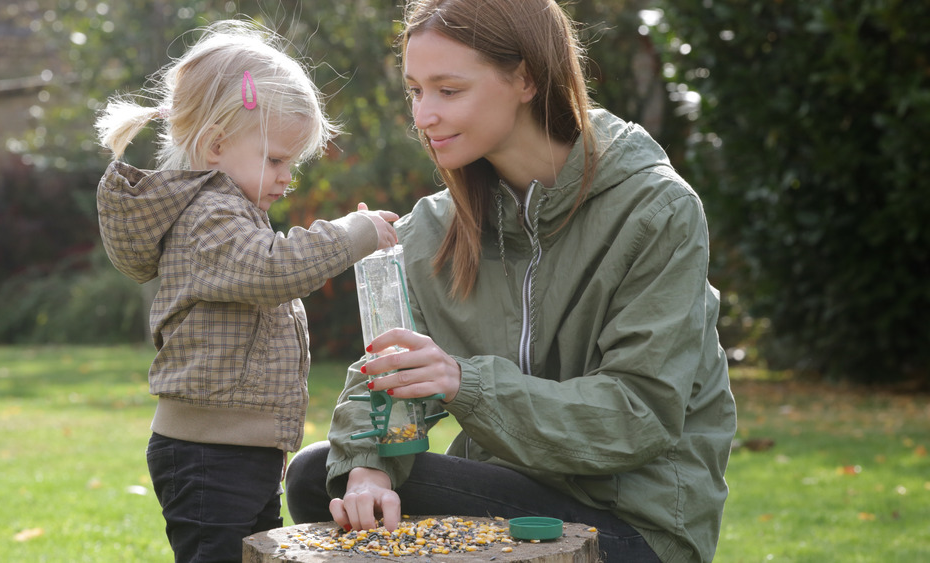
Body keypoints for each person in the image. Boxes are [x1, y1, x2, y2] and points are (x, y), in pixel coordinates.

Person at [283, 1, 737, 562]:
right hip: (505, 494)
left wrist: (464, 384)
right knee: (318, 476)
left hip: (631, 524)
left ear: (525, 78)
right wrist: (369, 468)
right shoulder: (432, 230)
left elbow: (639, 414)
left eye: (448, 91)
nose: (424, 116)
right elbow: (385, 372)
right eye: (415, 91)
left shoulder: (655, 211)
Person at [94, 20, 398, 563]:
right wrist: (354, 235)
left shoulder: (234, 214)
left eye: (292, 164)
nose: (287, 178)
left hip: (241, 448)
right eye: (276, 160)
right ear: (215, 146)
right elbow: (274, 269)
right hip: (210, 453)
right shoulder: (209, 216)